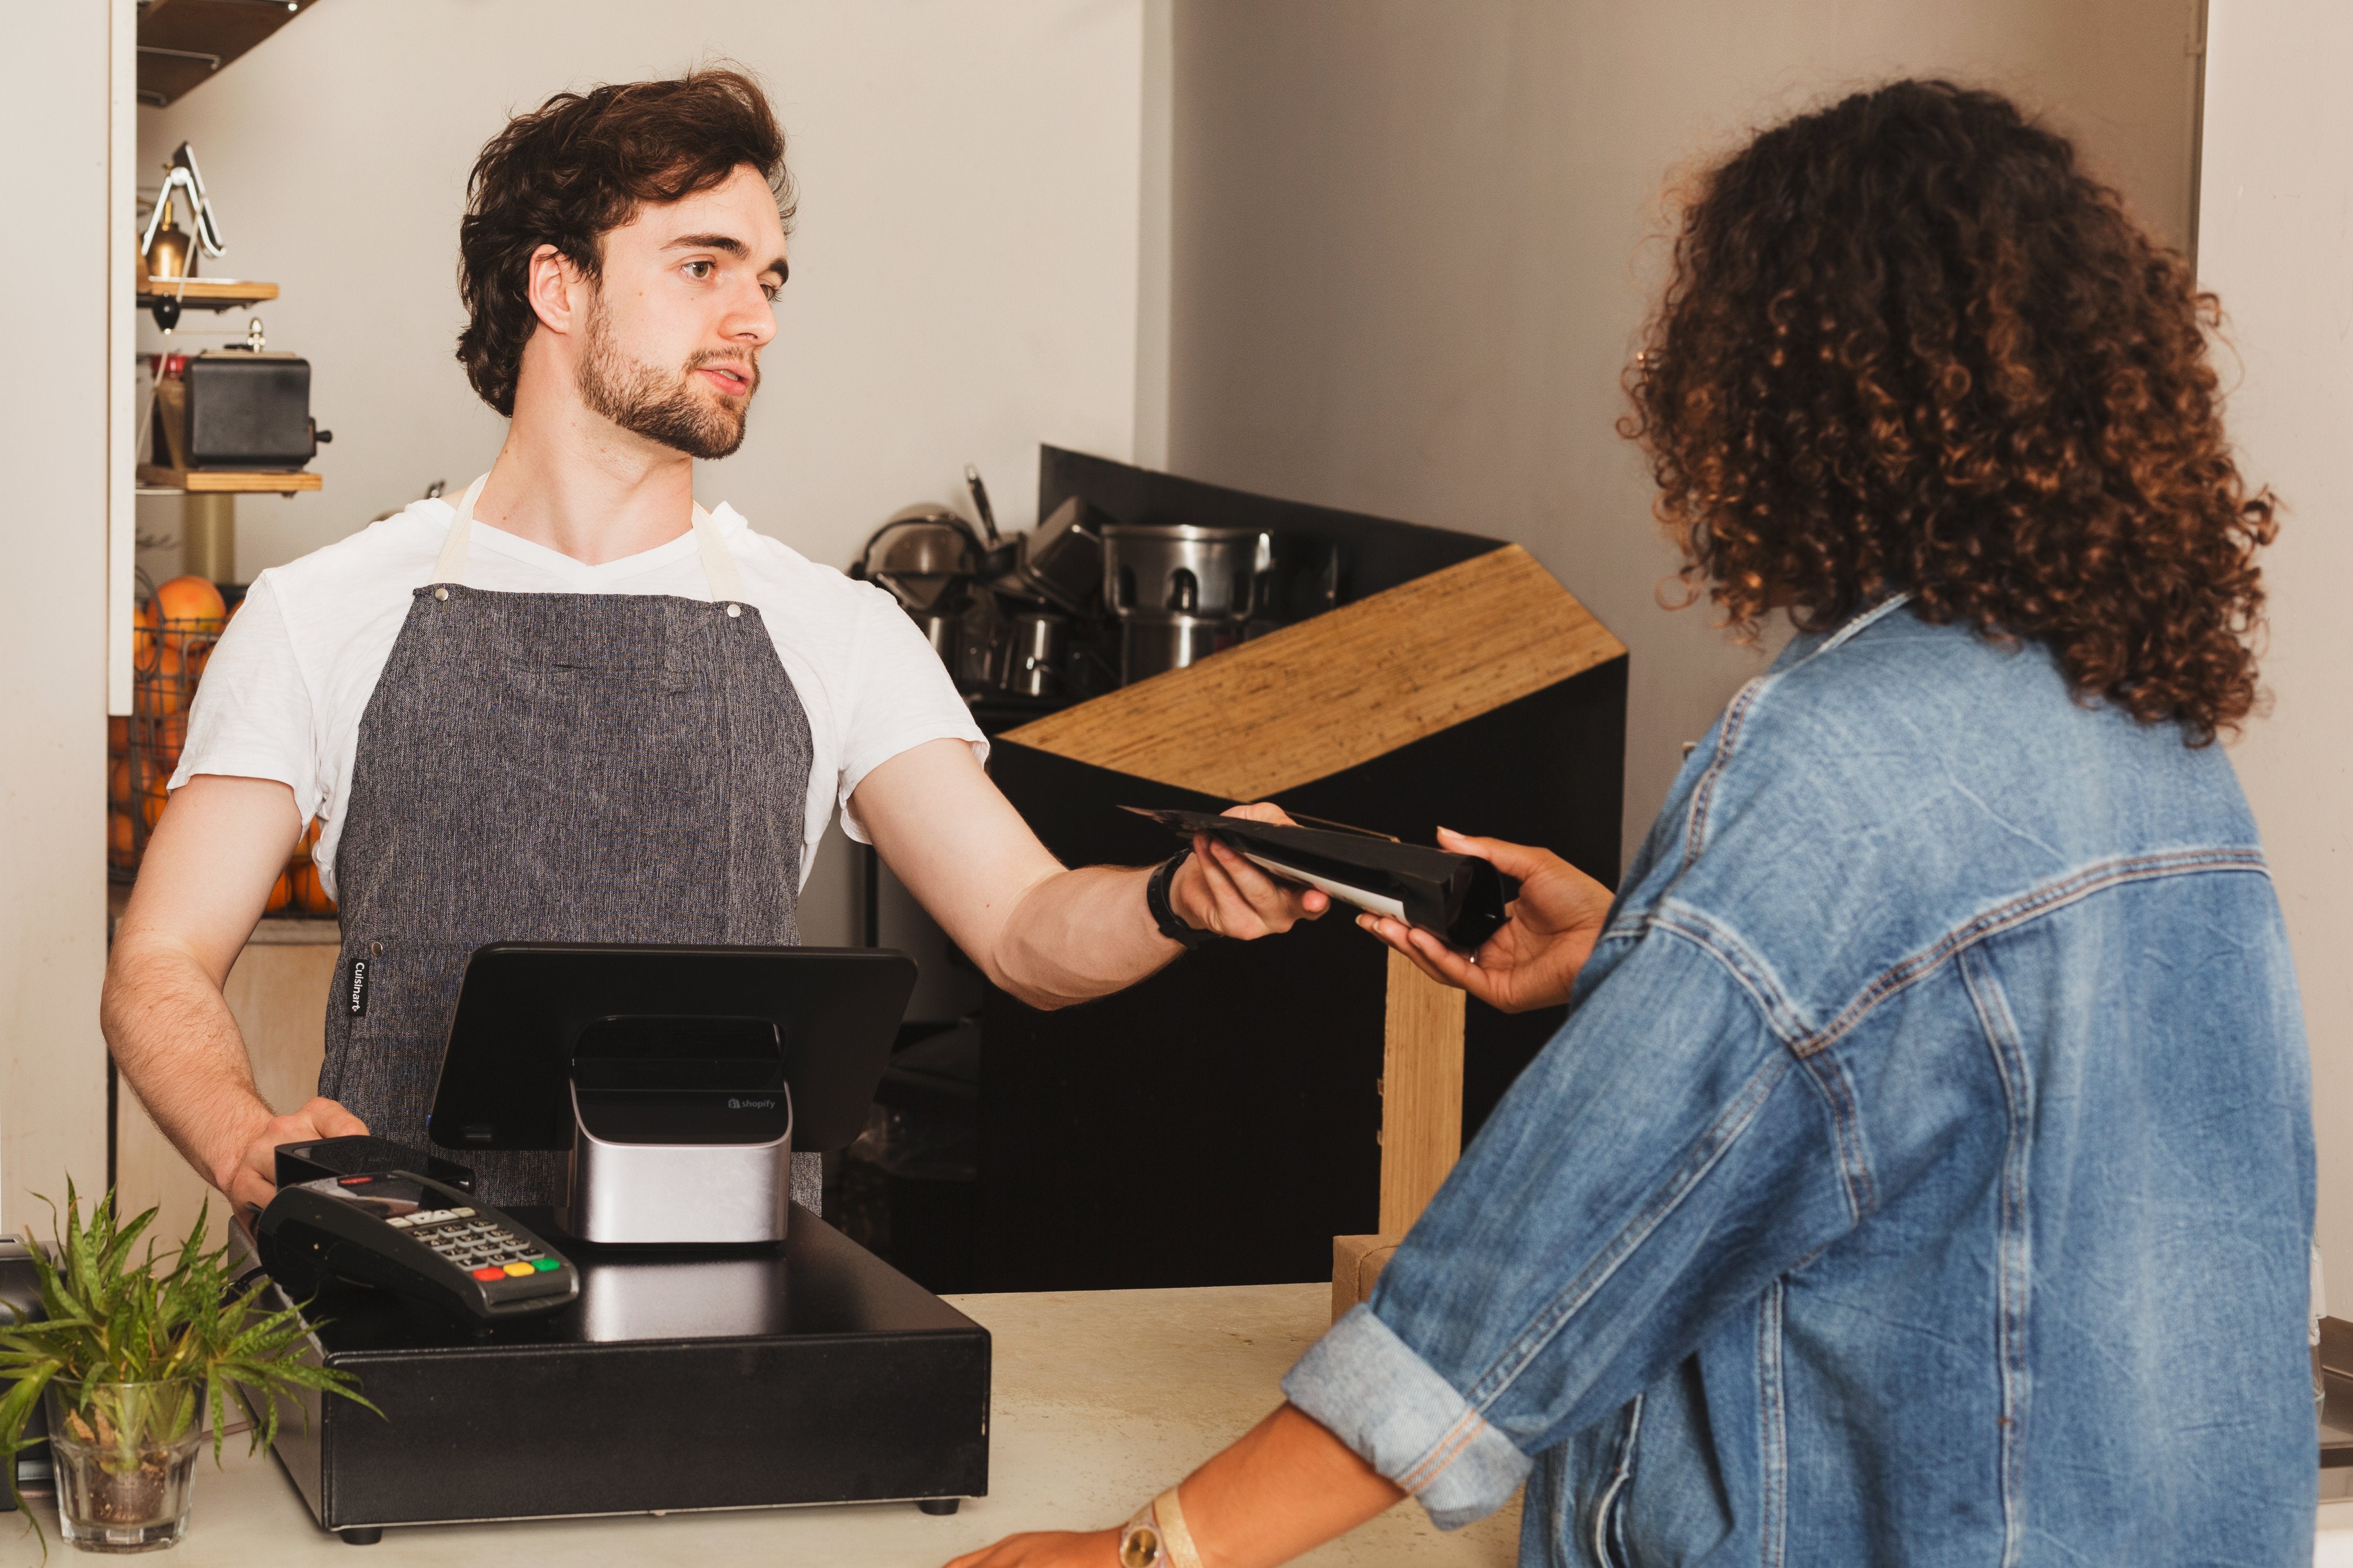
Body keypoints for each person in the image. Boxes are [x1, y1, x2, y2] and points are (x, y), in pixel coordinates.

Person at [947, 79, 2313, 1568]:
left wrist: (1155, 1548)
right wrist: (1652, 957)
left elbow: (1536, 1263)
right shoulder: (2158, 745)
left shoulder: (1831, 754)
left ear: (1785, 391)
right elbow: (1949, 1097)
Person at [102, 68, 1323, 1216]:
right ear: (558, 287)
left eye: (772, 280)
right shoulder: (328, 610)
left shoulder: (832, 629)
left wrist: (1178, 897)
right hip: (402, 1298)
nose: (759, 320)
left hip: (733, 1312)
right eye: (705, 266)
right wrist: (237, 1130)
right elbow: (158, 957)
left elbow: (1023, 927)